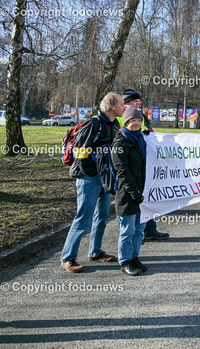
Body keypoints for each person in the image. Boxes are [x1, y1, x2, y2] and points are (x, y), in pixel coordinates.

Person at [60, 92, 125, 273]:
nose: (124, 107)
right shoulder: (92, 124)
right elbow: (80, 151)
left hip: (104, 178)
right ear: (112, 107)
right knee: (83, 218)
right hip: (89, 178)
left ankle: (95, 252)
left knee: (101, 217)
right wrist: (92, 173)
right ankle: (67, 258)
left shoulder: (114, 124)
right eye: (121, 104)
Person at [118, 89, 169, 241]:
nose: (137, 104)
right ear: (125, 103)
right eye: (134, 102)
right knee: (134, 201)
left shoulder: (142, 116)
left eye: (139, 102)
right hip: (130, 163)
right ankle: (133, 235)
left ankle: (149, 229)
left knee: (146, 198)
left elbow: (150, 133)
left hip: (145, 162)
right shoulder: (120, 117)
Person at [111, 107, 149, 276]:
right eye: (133, 120)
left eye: (139, 120)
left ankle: (134, 257)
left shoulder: (142, 139)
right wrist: (134, 192)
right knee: (127, 230)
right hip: (127, 195)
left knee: (139, 229)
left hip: (143, 193)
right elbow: (122, 172)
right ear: (126, 122)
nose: (136, 123)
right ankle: (125, 261)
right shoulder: (119, 144)